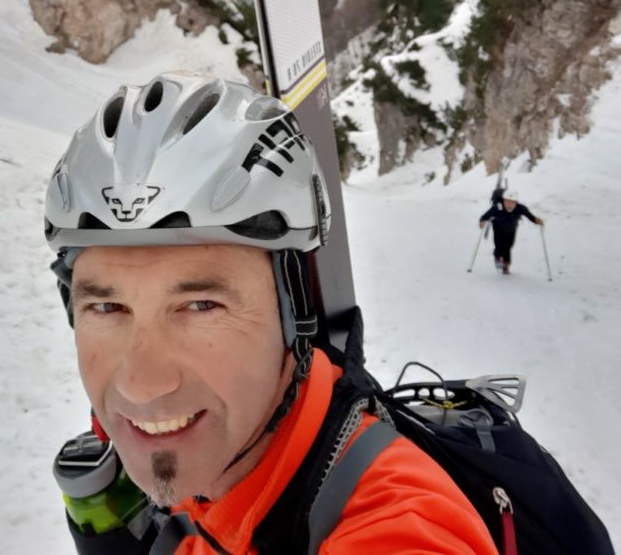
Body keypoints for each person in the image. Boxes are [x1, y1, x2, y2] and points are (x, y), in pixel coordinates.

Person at [46, 71, 498, 554]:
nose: (141, 384)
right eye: (107, 307)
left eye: (201, 305)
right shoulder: (223, 435)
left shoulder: (396, 523)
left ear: (292, 315)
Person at [479, 188, 544, 275]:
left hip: (511, 228)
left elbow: (530, 216)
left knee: (508, 246)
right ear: (503, 200)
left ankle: (506, 264)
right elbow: (485, 216)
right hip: (498, 228)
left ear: (515, 202)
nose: (509, 204)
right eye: (507, 201)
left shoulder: (520, 208)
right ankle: (498, 257)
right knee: (499, 245)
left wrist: (536, 220)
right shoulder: (497, 207)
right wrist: (482, 221)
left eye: (512, 202)